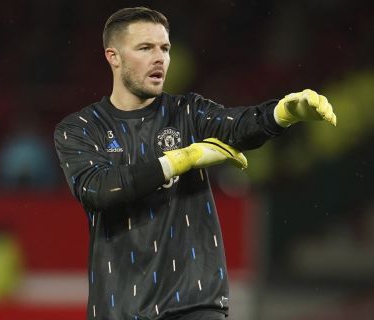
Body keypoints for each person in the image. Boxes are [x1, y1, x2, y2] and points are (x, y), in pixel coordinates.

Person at [54, 7, 336, 320]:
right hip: (119, 308)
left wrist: (280, 114)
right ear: (113, 56)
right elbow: (98, 188)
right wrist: (181, 159)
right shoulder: (80, 128)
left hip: (195, 304)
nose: (159, 57)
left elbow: (235, 126)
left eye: (165, 48)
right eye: (145, 48)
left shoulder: (188, 112)